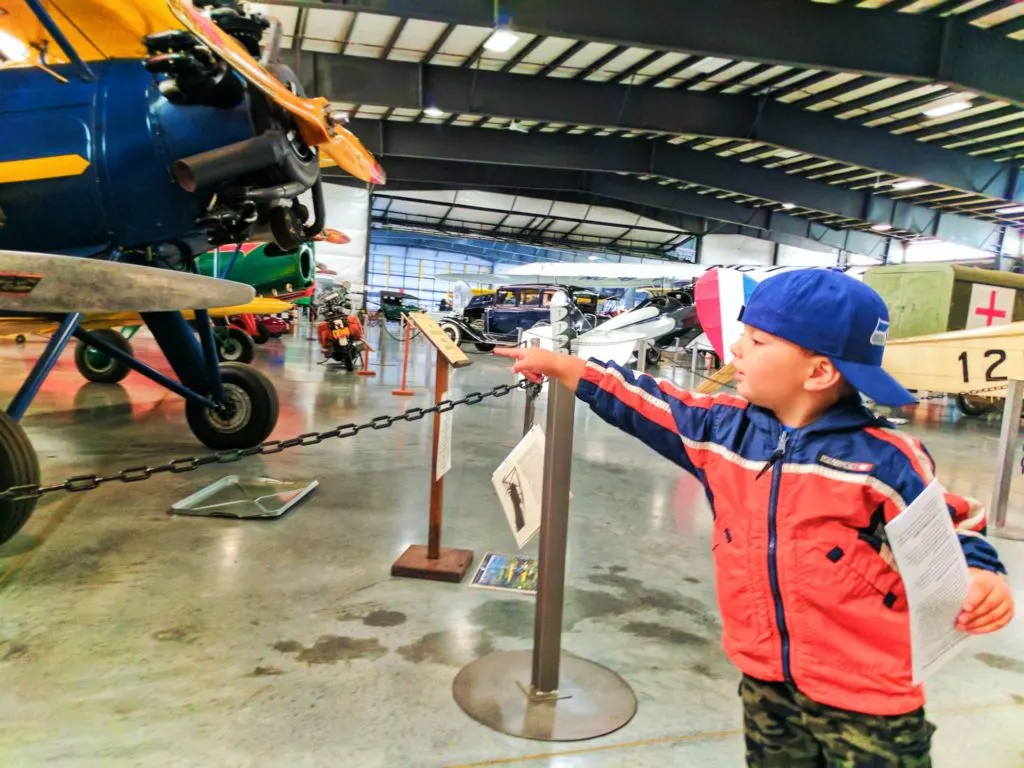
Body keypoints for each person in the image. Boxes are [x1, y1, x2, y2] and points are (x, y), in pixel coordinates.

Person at [494, 269, 1014, 768]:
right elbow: (647, 402)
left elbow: (954, 526)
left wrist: (983, 574)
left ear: (820, 371)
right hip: (765, 678)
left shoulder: (885, 460)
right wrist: (563, 366)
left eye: (758, 342)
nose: (737, 350)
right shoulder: (723, 433)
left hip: (869, 694)